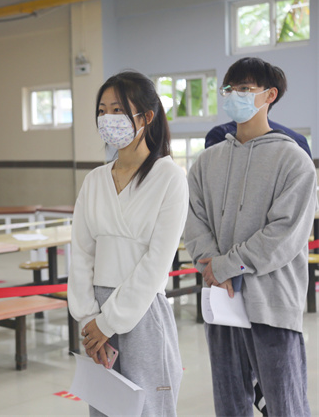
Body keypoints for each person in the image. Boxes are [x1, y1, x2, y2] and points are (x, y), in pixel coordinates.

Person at [184, 57, 315, 416]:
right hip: (221, 301)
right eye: (229, 89)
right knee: (230, 404)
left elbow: (284, 235)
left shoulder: (294, 160)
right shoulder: (206, 162)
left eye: (244, 89)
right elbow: (193, 219)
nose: (234, 96)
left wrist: (226, 266)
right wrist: (211, 266)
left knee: (285, 404)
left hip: (272, 304)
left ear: (269, 95)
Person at [68, 71, 188, 416]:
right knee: (105, 409)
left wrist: (108, 323)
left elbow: (156, 263)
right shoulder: (94, 180)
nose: (108, 119)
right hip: (95, 315)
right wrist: (88, 318)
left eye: (118, 110)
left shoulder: (170, 177)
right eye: (102, 111)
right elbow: (81, 254)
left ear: (146, 116)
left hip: (143, 313)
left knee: (150, 409)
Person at [206, 120, 311, 158]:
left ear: (271, 94)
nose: (235, 94)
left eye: (244, 88)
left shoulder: (221, 133)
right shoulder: (299, 139)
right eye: (229, 89)